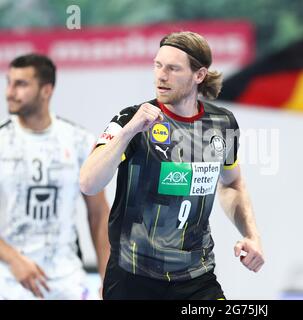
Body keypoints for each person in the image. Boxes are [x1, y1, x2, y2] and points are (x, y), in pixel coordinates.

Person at [79, 31, 264, 299]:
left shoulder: (222, 123)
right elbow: (88, 182)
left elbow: (232, 183)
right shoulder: (131, 118)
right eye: (157, 65)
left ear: (198, 75)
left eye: (173, 68)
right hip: (133, 278)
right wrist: (129, 131)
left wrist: (252, 235)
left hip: (196, 278)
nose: (161, 75)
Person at [0, 54, 110, 299]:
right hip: (9, 280)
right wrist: (13, 259)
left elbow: (99, 214)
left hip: (67, 280)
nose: (9, 92)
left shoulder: (79, 141)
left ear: (46, 90)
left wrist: (107, 278)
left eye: (21, 84)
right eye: (9, 83)